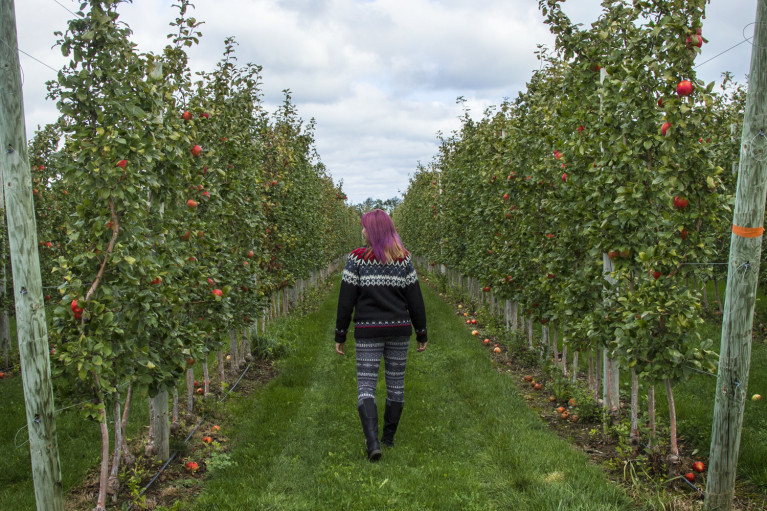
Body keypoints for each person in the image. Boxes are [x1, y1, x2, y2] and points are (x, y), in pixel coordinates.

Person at [335, 209, 428, 462]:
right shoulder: (403, 259)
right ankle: (388, 437)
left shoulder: (356, 259)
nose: (362, 231)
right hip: (399, 331)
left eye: (365, 227)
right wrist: (421, 332)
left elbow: (346, 300)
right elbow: (415, 299)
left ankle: (373, 442)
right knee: (396, 385)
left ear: (372, 231)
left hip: (368, 332)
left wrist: (340, 333)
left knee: (366, 386)